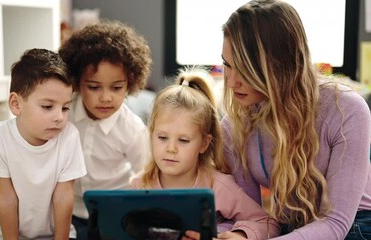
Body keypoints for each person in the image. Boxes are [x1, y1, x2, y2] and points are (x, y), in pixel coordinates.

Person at [214, 0, 371, 239]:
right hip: (291, 228)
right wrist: (241, 234)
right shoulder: (234, 126)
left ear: (280, 65)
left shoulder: (346, 110)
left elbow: (336, 223)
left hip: (356, 226)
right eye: (227, 65)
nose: (232, 81)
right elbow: (252, 216)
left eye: (245, 69)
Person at [131, 68, 280, 240]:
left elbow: (266, 223)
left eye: (184, 140)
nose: (171, 148)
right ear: (151, 135)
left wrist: (239, 234)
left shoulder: (219, 186)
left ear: (203, 143)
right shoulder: (139, 186)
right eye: (162, 137)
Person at [0, 48, 87, 239]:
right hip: (7, 235)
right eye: (47, 107)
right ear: (16, 104)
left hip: (57, 234)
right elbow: (6, 198)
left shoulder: (69, 136)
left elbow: (63, 196)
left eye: (65, 107)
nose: (59, 117)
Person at [58, 19, 152, 239]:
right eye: (93, 87)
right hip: (70, 209)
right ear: (77, 82)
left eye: (117, 88)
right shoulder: (64, 112)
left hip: (117, 211)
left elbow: (146, 173)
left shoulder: (131, 128)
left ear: (130, 83)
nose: (106, 97)